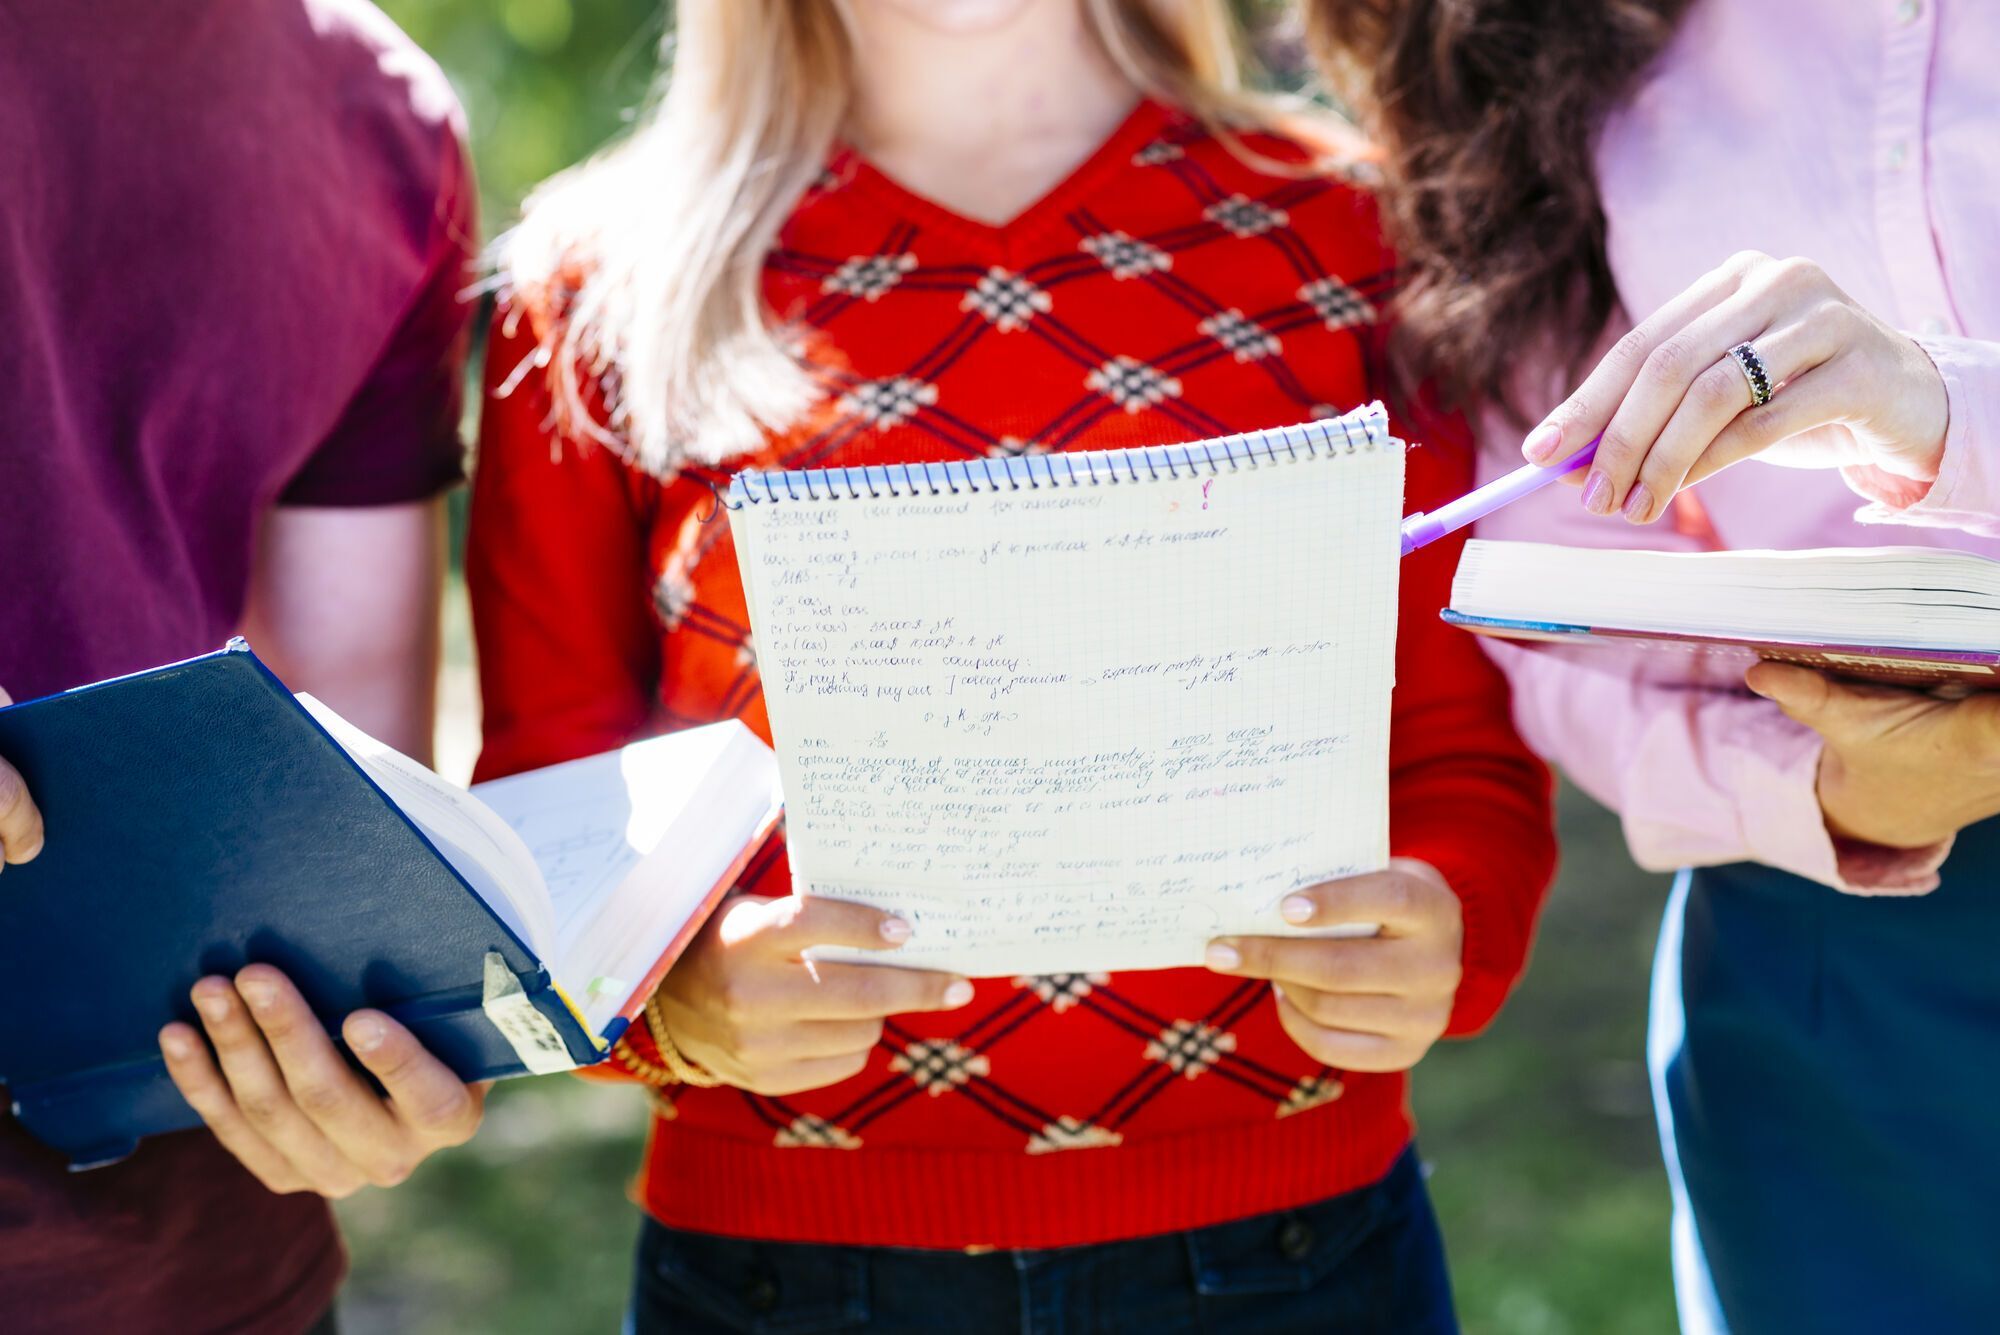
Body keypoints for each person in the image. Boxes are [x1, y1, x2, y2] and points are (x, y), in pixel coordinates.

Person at [470, 0, 1557, 1330]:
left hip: (1292, 1250)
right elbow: (546, 807)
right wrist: (669, 1008)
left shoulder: (1351, 223)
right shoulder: (598, 276)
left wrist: (1453, 930)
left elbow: (1462, 742)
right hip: (782, 1272)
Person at [1309, 1, 2000, 1330]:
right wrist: (1837, 791)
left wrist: (1936, 408)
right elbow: (1552, 612)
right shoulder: (1516, 34)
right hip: (1842, 966)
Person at [0, 3, 487, 1330]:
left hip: (192, 1264)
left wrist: (373, 1050)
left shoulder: (377, 117)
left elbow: (353, 820)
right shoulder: (368, 105)